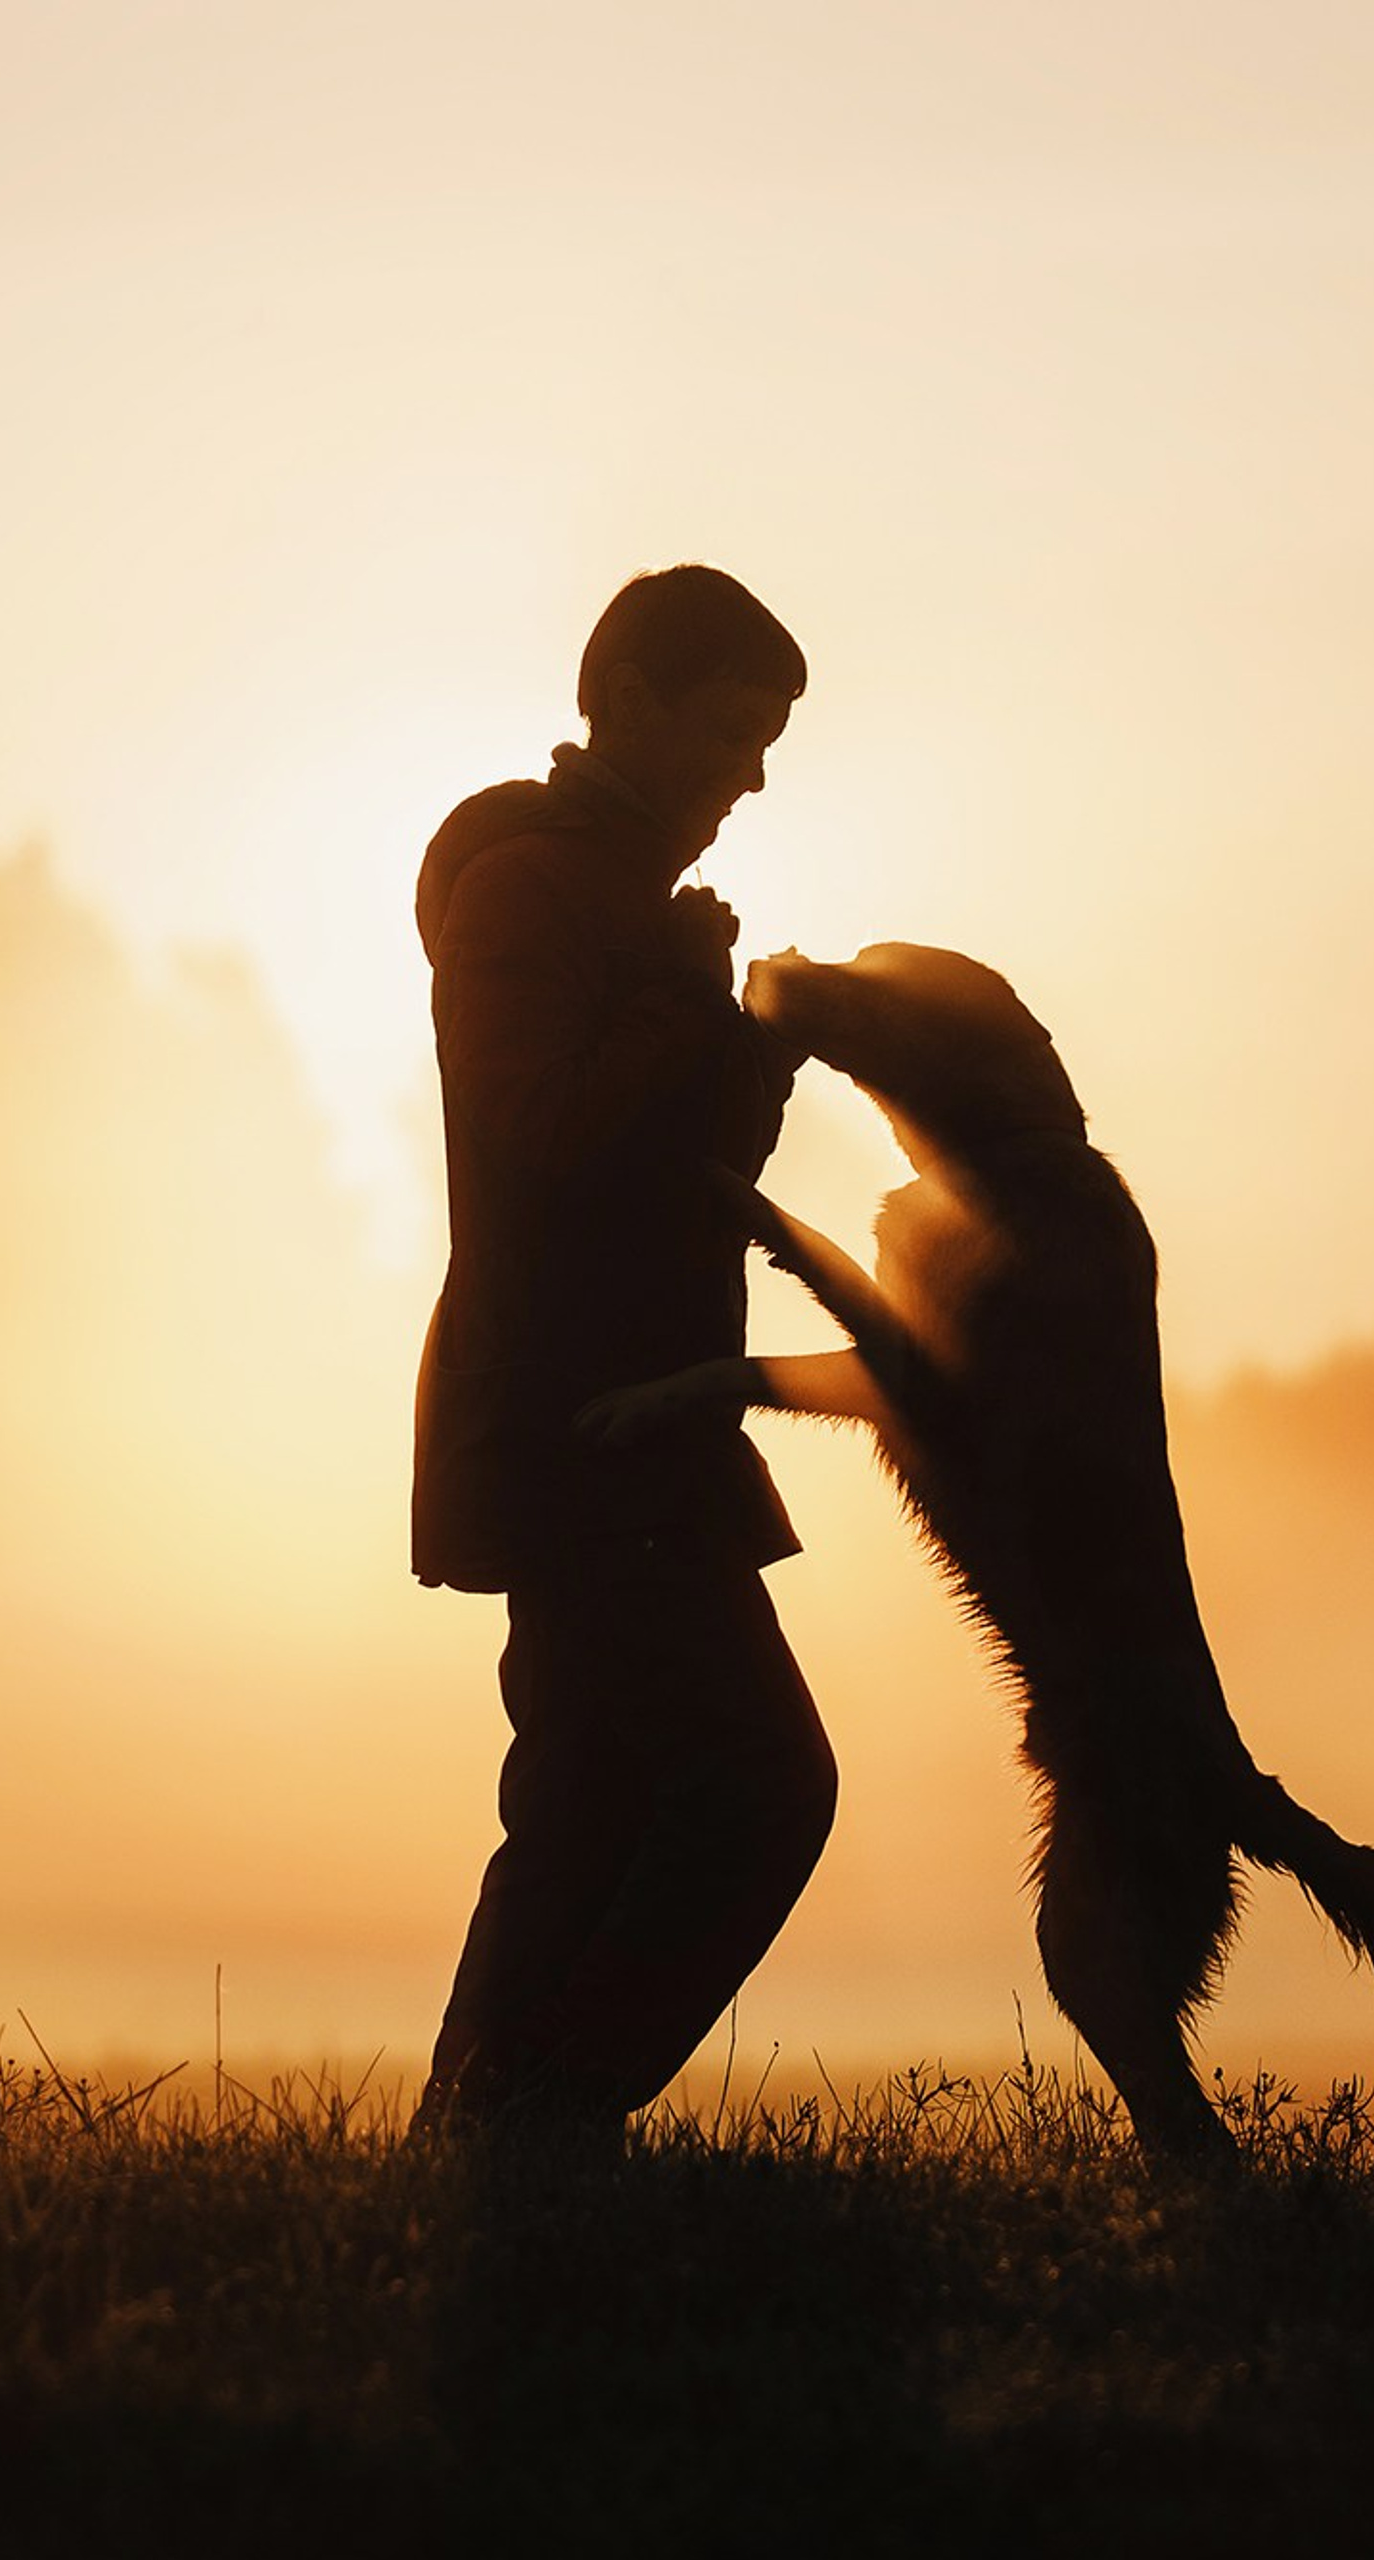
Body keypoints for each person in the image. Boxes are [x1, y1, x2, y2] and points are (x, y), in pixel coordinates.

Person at [409, 564, 834, 2137]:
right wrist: (681, 1002)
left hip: (622, 1424)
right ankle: (537, 2131)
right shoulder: (529, 890)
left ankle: (484, 2148)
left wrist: (745, 1047)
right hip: (578, 1429)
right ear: (627, 700)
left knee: (584, 1809)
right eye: (733, 729)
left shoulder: (623, 904)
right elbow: (535, 1143)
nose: (754, 774)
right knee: (759, 1794)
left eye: (770, 740)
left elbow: (681, 1181)